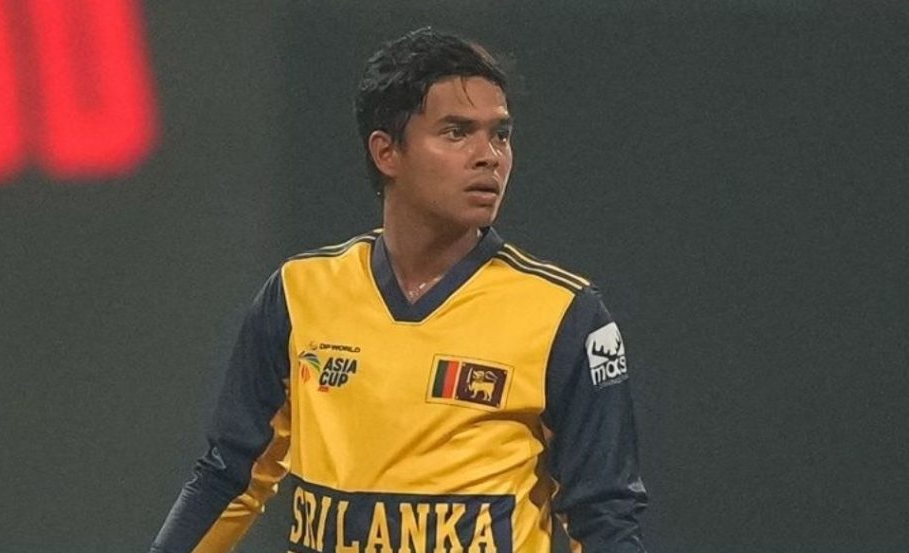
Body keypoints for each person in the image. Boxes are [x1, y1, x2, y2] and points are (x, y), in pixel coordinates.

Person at [150, 27, 647, 553]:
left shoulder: (564, 315)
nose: (489, 156)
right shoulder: (299, 293)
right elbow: (230, 474)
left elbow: (604, 518)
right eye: (457, 132)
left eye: (500, 134)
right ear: (387, 152)